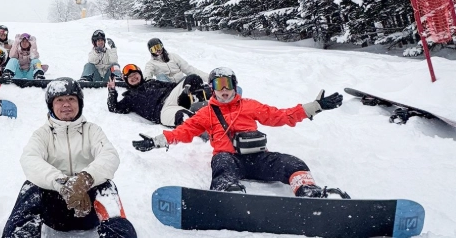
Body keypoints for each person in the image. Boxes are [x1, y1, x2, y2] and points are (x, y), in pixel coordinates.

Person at [132, 67, 348, 198]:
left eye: (228, 84)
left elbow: (281, 116)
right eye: (218, 84)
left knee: (293, 163)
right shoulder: (207, 112)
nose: (224, 89)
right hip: (229, 159)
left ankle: (308, 191)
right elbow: (184, 131)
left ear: (234, 85)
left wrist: (315, 106)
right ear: (212, 88)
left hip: (258, 157)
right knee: (222, 164)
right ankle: (228, 193)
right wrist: (157, 141)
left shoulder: (249, 105)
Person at [1, 78, 137, 238]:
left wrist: (85, 179)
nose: (66, 104)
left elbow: (109, 155)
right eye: (59, 100)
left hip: (88, 208)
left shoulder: (92, 130)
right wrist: (63, 184)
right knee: (31, 187)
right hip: (55, 210)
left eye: (71, 99)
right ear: (51, 105)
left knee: (107, 187)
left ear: (79, 103)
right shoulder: (42, 134)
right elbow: (30, 159)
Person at [108, 63, 210, 127]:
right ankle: (208, 126)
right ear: (126, 80)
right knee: (185, 117)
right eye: (130, 77)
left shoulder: (151, 82)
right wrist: (112, 91)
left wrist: (187, 86)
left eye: (135, 74)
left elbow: (173, 86)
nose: (133, 77)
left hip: (172, 97)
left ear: (140, 74)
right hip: (162, 111)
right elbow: (114, 108)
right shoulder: (129, 97)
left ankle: (202, 106)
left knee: (192, 78)